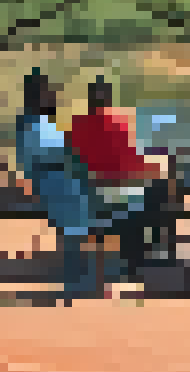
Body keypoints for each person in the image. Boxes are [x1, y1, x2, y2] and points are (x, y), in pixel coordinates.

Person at [13, 70, 100, 299]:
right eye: (47, 93)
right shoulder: (33, 124)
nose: (52, 97)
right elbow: (51, 150)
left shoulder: (35, 122)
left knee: (72, 226)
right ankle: (77, 277)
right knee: (75, 224)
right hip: (54, 178)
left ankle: (77, 273)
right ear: (38, 96)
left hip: (53, 178)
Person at [67, 76, 165, 276]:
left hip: (86, 196)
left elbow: (71, 164)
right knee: (159, 191)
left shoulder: (76, 125)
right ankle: (148, 253)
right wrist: (158, 168)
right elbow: (130, 164)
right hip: (115, 197)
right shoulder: (118, 121)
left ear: (90, 99)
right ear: (110, 98)